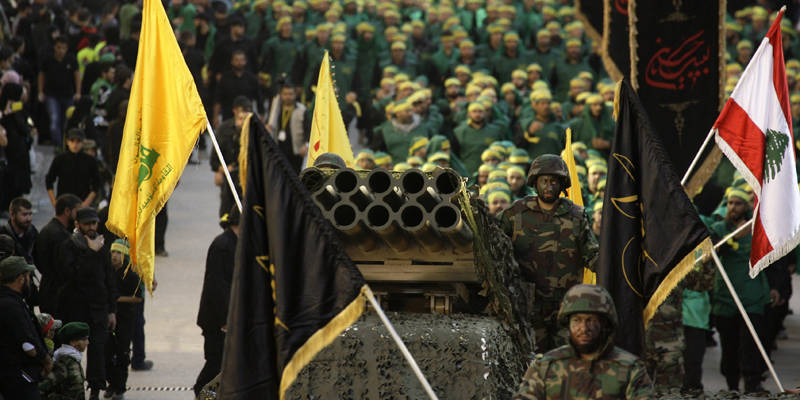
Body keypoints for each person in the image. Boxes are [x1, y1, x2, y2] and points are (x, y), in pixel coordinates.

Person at [498, 154, 598, 352]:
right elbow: (494, 247)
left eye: (554, 181)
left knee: (567, 359)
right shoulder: (516, 214)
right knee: (531, 361)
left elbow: (593, 255)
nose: (549, 186)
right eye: (544, 181)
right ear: (535, 183)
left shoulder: (577, 216)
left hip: (566, 306)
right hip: (528, 306)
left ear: (562, 185)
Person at [512, 284, 652, 399]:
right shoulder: (546, 367)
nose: (584, 328)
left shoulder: (630, 369)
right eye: (577, 320)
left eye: (590, 320)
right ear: (568, 324)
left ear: (604, 324)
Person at [708, 188, 770, 393]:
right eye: (730, 203)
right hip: (726, 300)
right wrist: (734, 237)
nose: (733, 207)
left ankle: (752, 384)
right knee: (729, 348)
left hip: (752, 299)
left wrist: (777, 288)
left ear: (747, 207)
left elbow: (772, 257)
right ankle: (732, 387)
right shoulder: (717, 228)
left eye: (738, 203)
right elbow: (713, 251)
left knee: (751, 346)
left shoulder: (758, 229)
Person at [54, 207, 118, 400]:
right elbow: (72, 276)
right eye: (87, 223)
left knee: (98, 350)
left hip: (98, 308)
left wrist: (112, 310)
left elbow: (109, 279)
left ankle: (96, 390)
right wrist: (90, 253)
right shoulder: (69, 246)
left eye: (94, 223)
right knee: (71, 349)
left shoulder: (101, 246)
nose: (91, 227)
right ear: (77, 225)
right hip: (76, 308)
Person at [194, 207, 239, 396]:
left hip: (229, 318)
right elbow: (217, 286)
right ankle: (201, 391)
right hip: (218, 320)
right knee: (216, 363)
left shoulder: (239, 243)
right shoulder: (223, 245)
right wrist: (226, 319)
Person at [0, 256, 52, 400]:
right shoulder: (11, 306)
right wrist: (45, 359)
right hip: (17, 377)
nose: (29, 281)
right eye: (28, 276)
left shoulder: (11, 301)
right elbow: (27, 340)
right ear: (20, 279)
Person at [34, 194, 82, 314]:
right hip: (58, 296)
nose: (79, 217)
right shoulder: (61, 236)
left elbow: (36, 259)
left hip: (47, 289)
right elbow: (65, 269)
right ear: (67, 211)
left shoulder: (46, 230)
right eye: (77, 211)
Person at [105, 240, 140, 399]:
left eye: (119, 253)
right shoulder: (107, 272)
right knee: (107, 353)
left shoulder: (131, 275)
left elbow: (138, 298)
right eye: (113, 252)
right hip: (108, 319)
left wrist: (116, 299)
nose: (115, 256)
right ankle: (110, 384)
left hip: (125, 319)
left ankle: (120, 388)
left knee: (122, 353)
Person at [45, 128, 101, 208]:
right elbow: (49, 180)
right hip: (64, 204)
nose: (75, 145)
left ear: (82, 143)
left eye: (78, 142)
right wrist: (54, 202)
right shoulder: (60, 159)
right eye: (72, 141)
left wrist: (86, 203)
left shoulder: (90, 161)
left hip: (82, 203)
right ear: (67, 142)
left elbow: (97, 183)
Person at [38, 322, 90, 400]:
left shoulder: (74, 359)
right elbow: (41, 388)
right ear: (73, 342)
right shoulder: (64, 363)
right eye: (84, 339)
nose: (87, 342)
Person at [266, 81, 308, 173]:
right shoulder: (276, 109)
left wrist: (306, 144)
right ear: (281, 95)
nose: (288, 96)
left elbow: (307, 129)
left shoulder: (302, 110)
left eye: (290, 94)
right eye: (285, 94)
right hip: (279, 147)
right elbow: (270, 124)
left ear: (295, 94)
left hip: (296, 149)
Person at [0, 197, 38, 264]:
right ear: (12, 215)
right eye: (24, 214)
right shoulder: (2, 234)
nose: (29, 219)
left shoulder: (32, 231)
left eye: (30, 214)